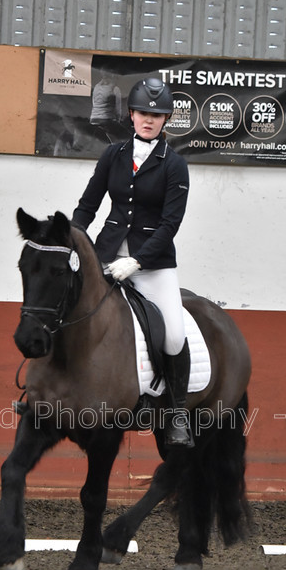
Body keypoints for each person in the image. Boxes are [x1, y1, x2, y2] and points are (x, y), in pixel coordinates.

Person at [72, 76, 194, 448]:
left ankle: (175, 414)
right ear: (131, 113)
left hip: (153, 264)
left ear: (166, 118)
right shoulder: (113, 156)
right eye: (142, 112)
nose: (148, 119)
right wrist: (76, 244)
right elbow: (87, 206)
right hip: (106, 256)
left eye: (156, 115)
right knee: (66, 308)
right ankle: (49, 392)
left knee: (173, 334)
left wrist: (138, 260)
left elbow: (170, 224)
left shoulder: (175, 165)